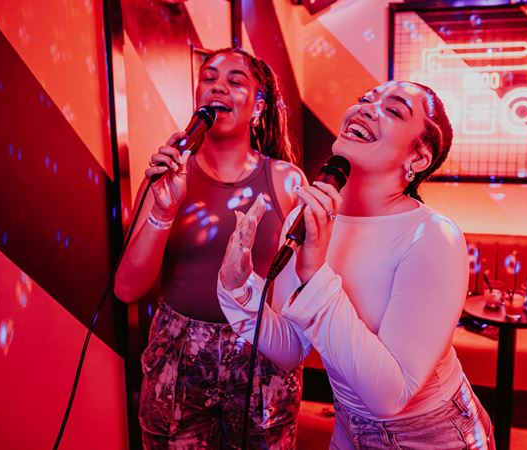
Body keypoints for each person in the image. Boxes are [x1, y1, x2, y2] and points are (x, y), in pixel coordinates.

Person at [218, 81, 494, 449]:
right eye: (364, 99)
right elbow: (290, 347)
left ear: (419, 158)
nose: (365, 108)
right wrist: (238, 287)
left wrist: (315, 275)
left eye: (393, 110)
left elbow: (391, 397)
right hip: (349, 426)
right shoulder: (308, 216)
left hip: (432, 434)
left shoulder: (432, 236)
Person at [114, 47, 307, 449]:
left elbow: (304, 287)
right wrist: (164, 210)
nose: (218, 86)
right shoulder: (167, 177)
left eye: (235, 81)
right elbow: (127, 288)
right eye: (209, 78)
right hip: (179, 356)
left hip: (261, 351)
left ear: (258, 106)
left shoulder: (287, 181)